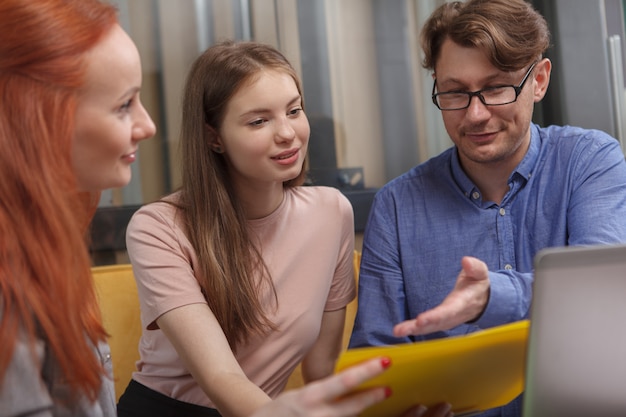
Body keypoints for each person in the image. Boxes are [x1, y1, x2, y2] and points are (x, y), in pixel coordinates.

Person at [0, 2, 450, 417]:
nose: (287, 133)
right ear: (214, 137)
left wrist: (382, 405)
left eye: (294, 111)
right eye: (258, 121)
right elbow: (221, 379)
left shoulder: (332, 212)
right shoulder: (158, 226)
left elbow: (321, 374)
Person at [349, 0, 626, 416]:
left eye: (496, 87)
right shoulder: (397, 205)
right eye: (455, 92)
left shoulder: (588, 160)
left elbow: (600, 298)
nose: (475, 115)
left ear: (540, 80)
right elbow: (374, 361)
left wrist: (489, 297)